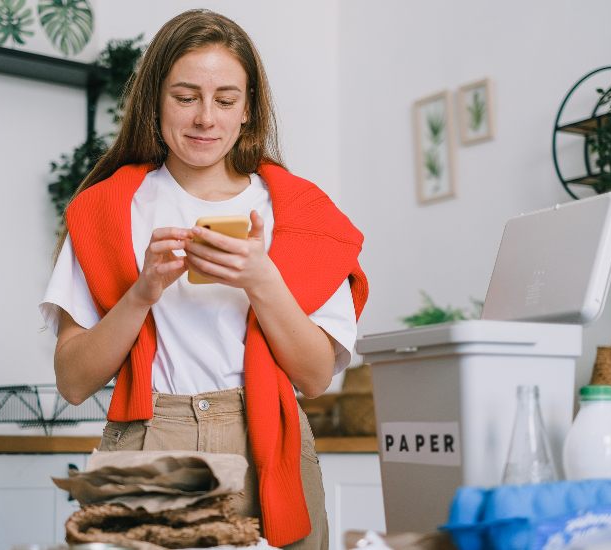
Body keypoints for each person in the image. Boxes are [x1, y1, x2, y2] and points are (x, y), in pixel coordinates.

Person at [40, 9, 368, 549]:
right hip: (150, 439)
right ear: (155, 101)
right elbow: (73, 382)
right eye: (186, 97)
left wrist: (262, 280)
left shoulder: (302, 214)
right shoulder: (106, 211)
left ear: (248, 111)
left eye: (225, 100)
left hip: (268, 443)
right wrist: (141, 293)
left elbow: (313, 378)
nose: (205, 119)